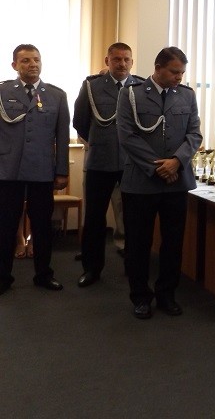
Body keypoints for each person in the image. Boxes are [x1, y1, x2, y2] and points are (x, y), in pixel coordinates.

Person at [116, 47, 202, 320]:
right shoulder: (131, 94)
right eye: (174, 72)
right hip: (141, 182)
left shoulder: (187, 95)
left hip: (176, 182)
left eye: (182, 73)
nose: (179, 77)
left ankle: (167, 294)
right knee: (138, 243)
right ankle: (140, 297)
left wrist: (176, 161)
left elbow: (194, 134)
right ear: (158, 68)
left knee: (173, 243)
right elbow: (127, 136)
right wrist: (159, 168)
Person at [0, 44, 69, 295]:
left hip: (42, 170)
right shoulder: (2, 92)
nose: (33, 65)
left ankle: (43, 274)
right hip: (8, 170)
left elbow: (62, 137)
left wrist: (61, 171)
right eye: (26, 60)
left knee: (42, 225)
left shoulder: (56, 95)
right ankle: (3, 277)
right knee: (5, 225)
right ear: (14, 65)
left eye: (36, 60)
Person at [73, 43, 143, 287]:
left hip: (132, 163)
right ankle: (92, 269)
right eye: (116, 59)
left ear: (132, 62)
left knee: (134, 219)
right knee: (94, 218)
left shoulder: (141, 86)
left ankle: (134, 266)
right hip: (100, 162)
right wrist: (99, 142)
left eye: (126, 59)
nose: (122, 64)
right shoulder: (91, 86)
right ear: (107, 61)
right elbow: (80, 121)